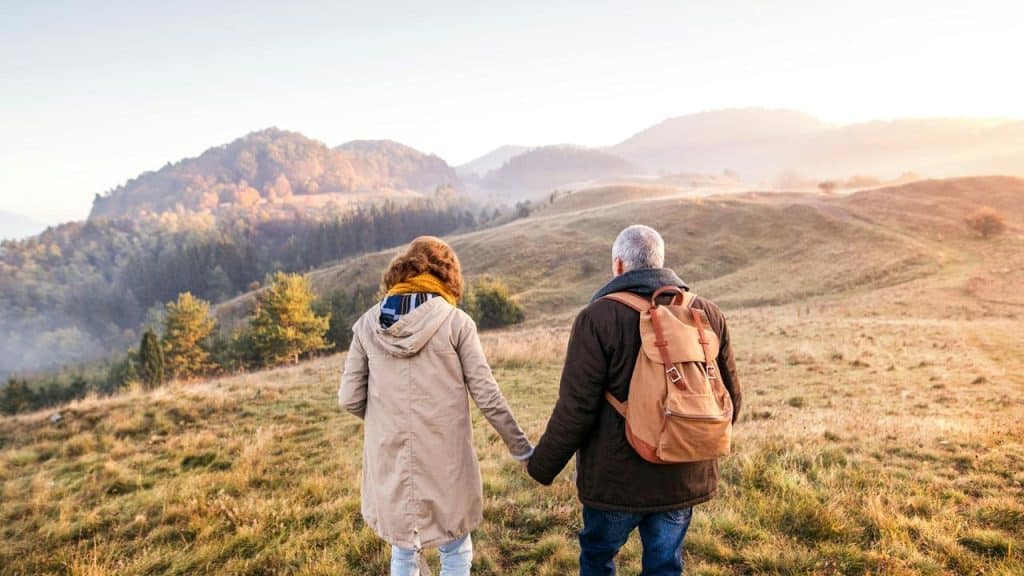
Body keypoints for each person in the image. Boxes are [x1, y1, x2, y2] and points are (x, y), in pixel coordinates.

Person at [526, 225, 741, 576]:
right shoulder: (707, 314)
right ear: (659, 262)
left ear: (619, 266)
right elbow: (731, 399)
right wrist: (690, 439)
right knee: (664, 564)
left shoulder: (596, 318)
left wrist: (541, 467)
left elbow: (576, 410)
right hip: (683, 474)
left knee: (598, 558)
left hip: (615, 483)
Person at [339, 236, 533, 576]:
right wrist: (523, 451)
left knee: (403, 550)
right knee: (455, 546)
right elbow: (488, 395)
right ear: (448, 274)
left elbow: (349, 398)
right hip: (447, 458)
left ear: (404, 268)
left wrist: (387, 419)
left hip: (391, 456)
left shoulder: (367, 325)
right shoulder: (456, 323)